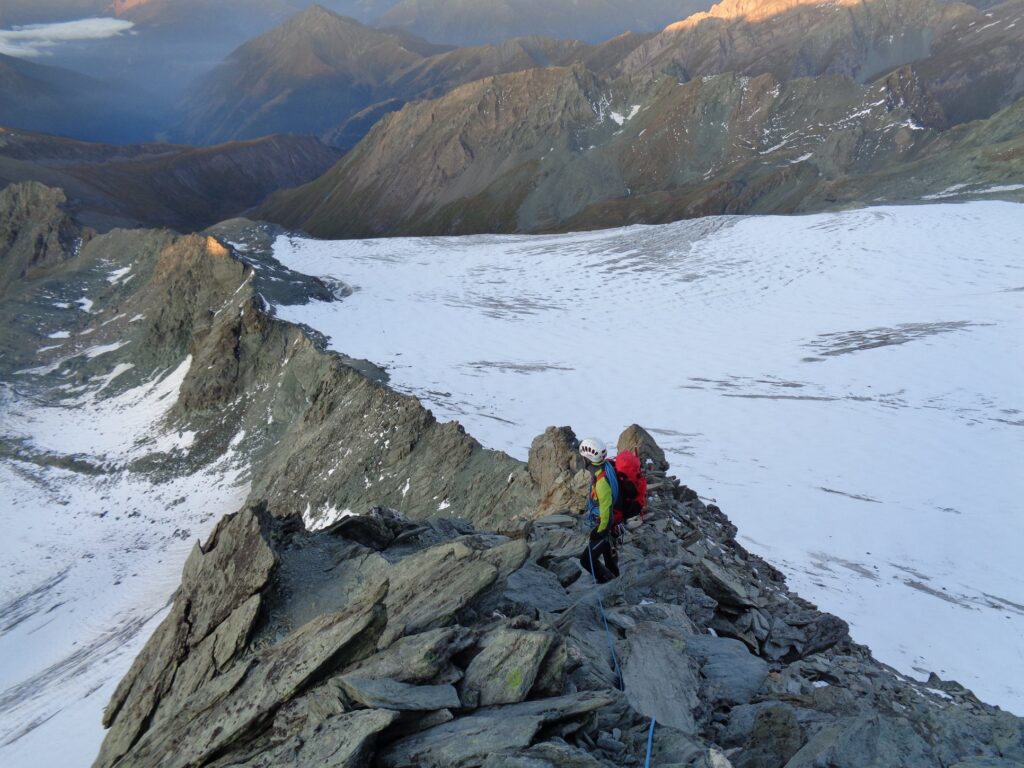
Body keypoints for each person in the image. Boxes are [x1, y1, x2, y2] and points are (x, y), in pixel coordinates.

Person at [578, 437, 620, 583]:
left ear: (588, 459)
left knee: (586, 560)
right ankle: (615, 583)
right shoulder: (605, 467)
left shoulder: (601, 482)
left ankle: (607, 584)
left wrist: (599, 532)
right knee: (610, 560)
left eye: (583, 458)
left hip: (605, 527)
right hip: (611, 527)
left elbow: (606, 511)